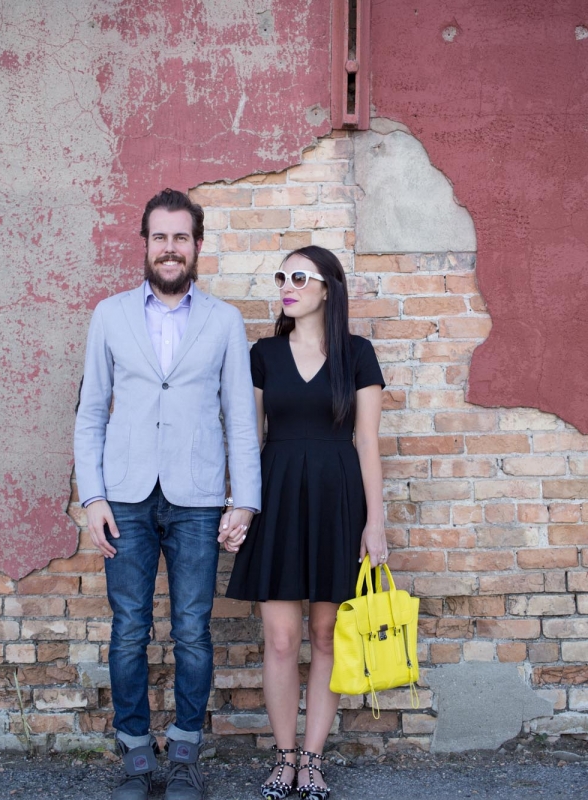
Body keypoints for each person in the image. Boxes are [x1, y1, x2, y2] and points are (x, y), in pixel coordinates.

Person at [74, 188, 261, 800]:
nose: (171, 248)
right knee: (128, 628)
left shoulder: (224, 321)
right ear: (146, 245)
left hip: (197, 497)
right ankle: (134, 756)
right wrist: (93, 496)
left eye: (182, 237)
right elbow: (90, 413)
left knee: (191, 629)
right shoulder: (110, 315)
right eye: (160, 237)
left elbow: (240, 417)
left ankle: (183, 753)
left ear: (197, 246)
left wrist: (245, 499)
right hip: (124, 495)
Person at [225, 246, 386, 800]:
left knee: (324, 636)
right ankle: (285, 758)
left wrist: (376, 523)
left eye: (299, 276)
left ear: (327, 288)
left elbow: (367, 441)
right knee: (279, 638)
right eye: (281, 276)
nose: (286, 285)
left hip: (338, 499)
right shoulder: (263, 353)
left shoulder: (358, 353)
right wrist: (241, 503)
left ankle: (313, 762)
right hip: (278, 497)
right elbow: (247, 440)